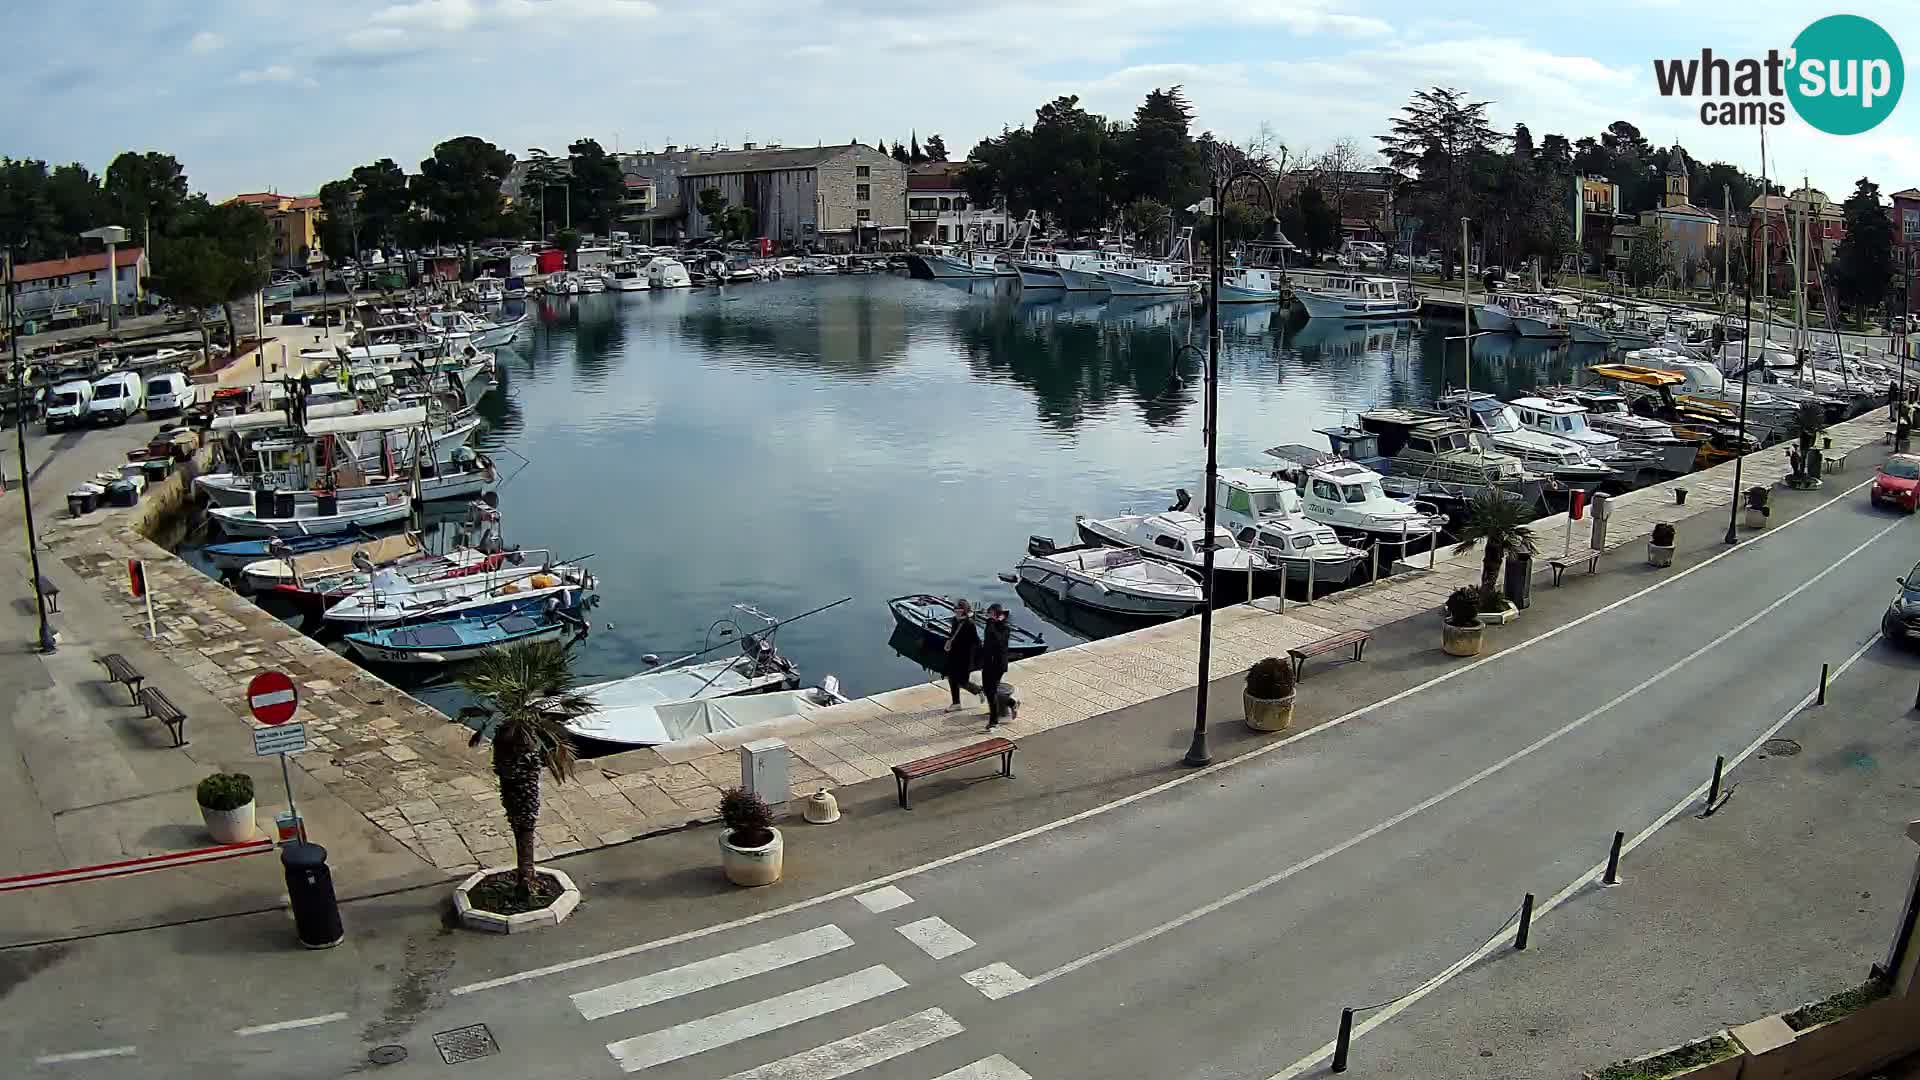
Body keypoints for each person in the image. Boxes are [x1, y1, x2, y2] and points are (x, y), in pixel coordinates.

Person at [942, 599, 978, 712]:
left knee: (962, 681)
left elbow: (975, 642)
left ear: (965, 610)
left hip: (964, 657)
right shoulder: (954, 620)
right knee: (952, 678)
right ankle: (956, 703)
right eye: (956, 610)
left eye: (960, 610)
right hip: (953, 655)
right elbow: (953, 635)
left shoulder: (969, 624)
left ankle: (980, 691)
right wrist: (949, 643)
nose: (957, 612)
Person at [981, 603, 1011, 729]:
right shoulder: (990, 624)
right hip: (988, 663)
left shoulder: (1005, 627)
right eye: (989, 613)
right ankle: (1009, 703)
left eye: (992, 613)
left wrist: (993, 623)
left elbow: (999, 642)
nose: (990, 616)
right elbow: (987, 641)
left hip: (998, 664)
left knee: (991, 690)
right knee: (988, 690)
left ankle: (994, 720)